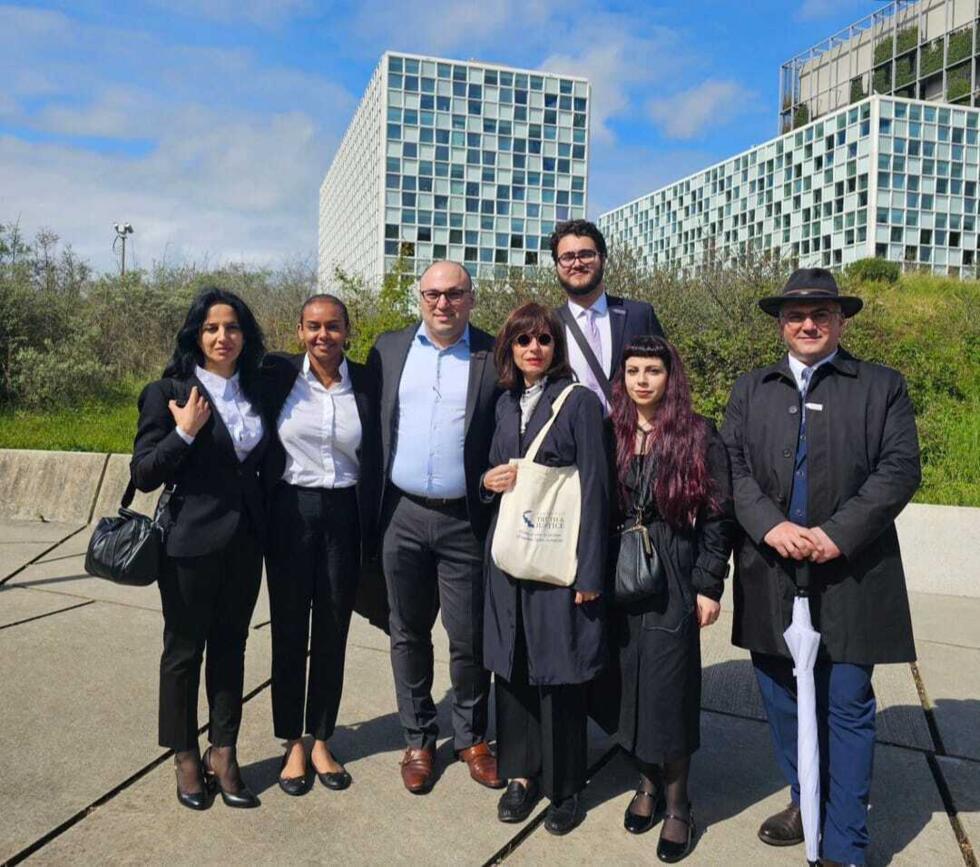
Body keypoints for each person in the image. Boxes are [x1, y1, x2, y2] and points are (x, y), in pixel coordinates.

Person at [721, 268, 921, 867]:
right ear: (780, 324)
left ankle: (844, 841)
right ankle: (804, 797)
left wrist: (837, 535)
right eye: (796, 315)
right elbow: (731, 466)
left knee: (847, 704)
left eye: (821, 314)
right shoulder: (751, 388)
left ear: (841, 321)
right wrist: (769, 525)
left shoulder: (882, 386)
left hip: (852, 572)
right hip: (770, 570)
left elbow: (899, 469)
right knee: (783, 700)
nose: (808, 324)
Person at [367, 260, 503, 794]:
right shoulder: (389, 349)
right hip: (401, 514)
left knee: (468, 637)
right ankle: (419, 738)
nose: (442, 303)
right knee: (407, 631)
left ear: (471, 298)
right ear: (419, 297)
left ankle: (470, 736)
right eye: (432, 294)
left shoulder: (493, 353)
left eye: (454, 293)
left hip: (464, 518)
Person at [131, 288, 269, 810]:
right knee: (184, 652)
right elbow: (144, 473)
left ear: (244, 335)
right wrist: (184, 434)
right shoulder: (167, 391)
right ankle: (185, 754)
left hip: (246, 544)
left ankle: (223, 751)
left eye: (232, 327)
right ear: (196, 335)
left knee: (232, 649)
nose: (222, 337)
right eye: (211, 328)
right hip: (188, 545)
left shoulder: (256, 391)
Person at [482, 302, 609, 836]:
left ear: (557, 346)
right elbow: (491, 469)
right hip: (509, 559)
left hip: (559, 561)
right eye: (523, 340)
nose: (533, 349)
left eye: (544, 339)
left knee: (559, 676)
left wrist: (590, 573)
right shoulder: (504, 403)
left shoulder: (578, 402)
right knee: (511, 670)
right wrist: (487, 481)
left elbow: (598, 489)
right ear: (509, 348)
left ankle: (565, 786)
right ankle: (520, 774)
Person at [609, 335, 735, 862]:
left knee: (670, 689)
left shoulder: (698, 434)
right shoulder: (612, 431)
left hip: (676, 568)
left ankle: (679, 803)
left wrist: (708, 584)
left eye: (653, 371)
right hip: (620, 569)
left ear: (670, 376)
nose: (642, 380)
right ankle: (647, 783)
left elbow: (719, 516)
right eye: (633, 371)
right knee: (629, 685)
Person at [261, 294, 380, 796]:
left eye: (333, 326)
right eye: (313, 326)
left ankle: (322, 739)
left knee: (333, 630)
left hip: (345, 514)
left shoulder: (367, 382)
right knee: (289, 630)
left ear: (347, 331)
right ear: (299, 331)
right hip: (290, 512)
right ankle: (292, 741)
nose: (322, 335)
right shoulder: (277, 376)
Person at [549, 219, 665, 413]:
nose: (577, 263)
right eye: (567, 257)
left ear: (602, 259)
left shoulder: (639, 316)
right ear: (557, 265)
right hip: (569, 432)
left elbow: (669, 378)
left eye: (586, 254)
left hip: (631, 430)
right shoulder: (547, 325)